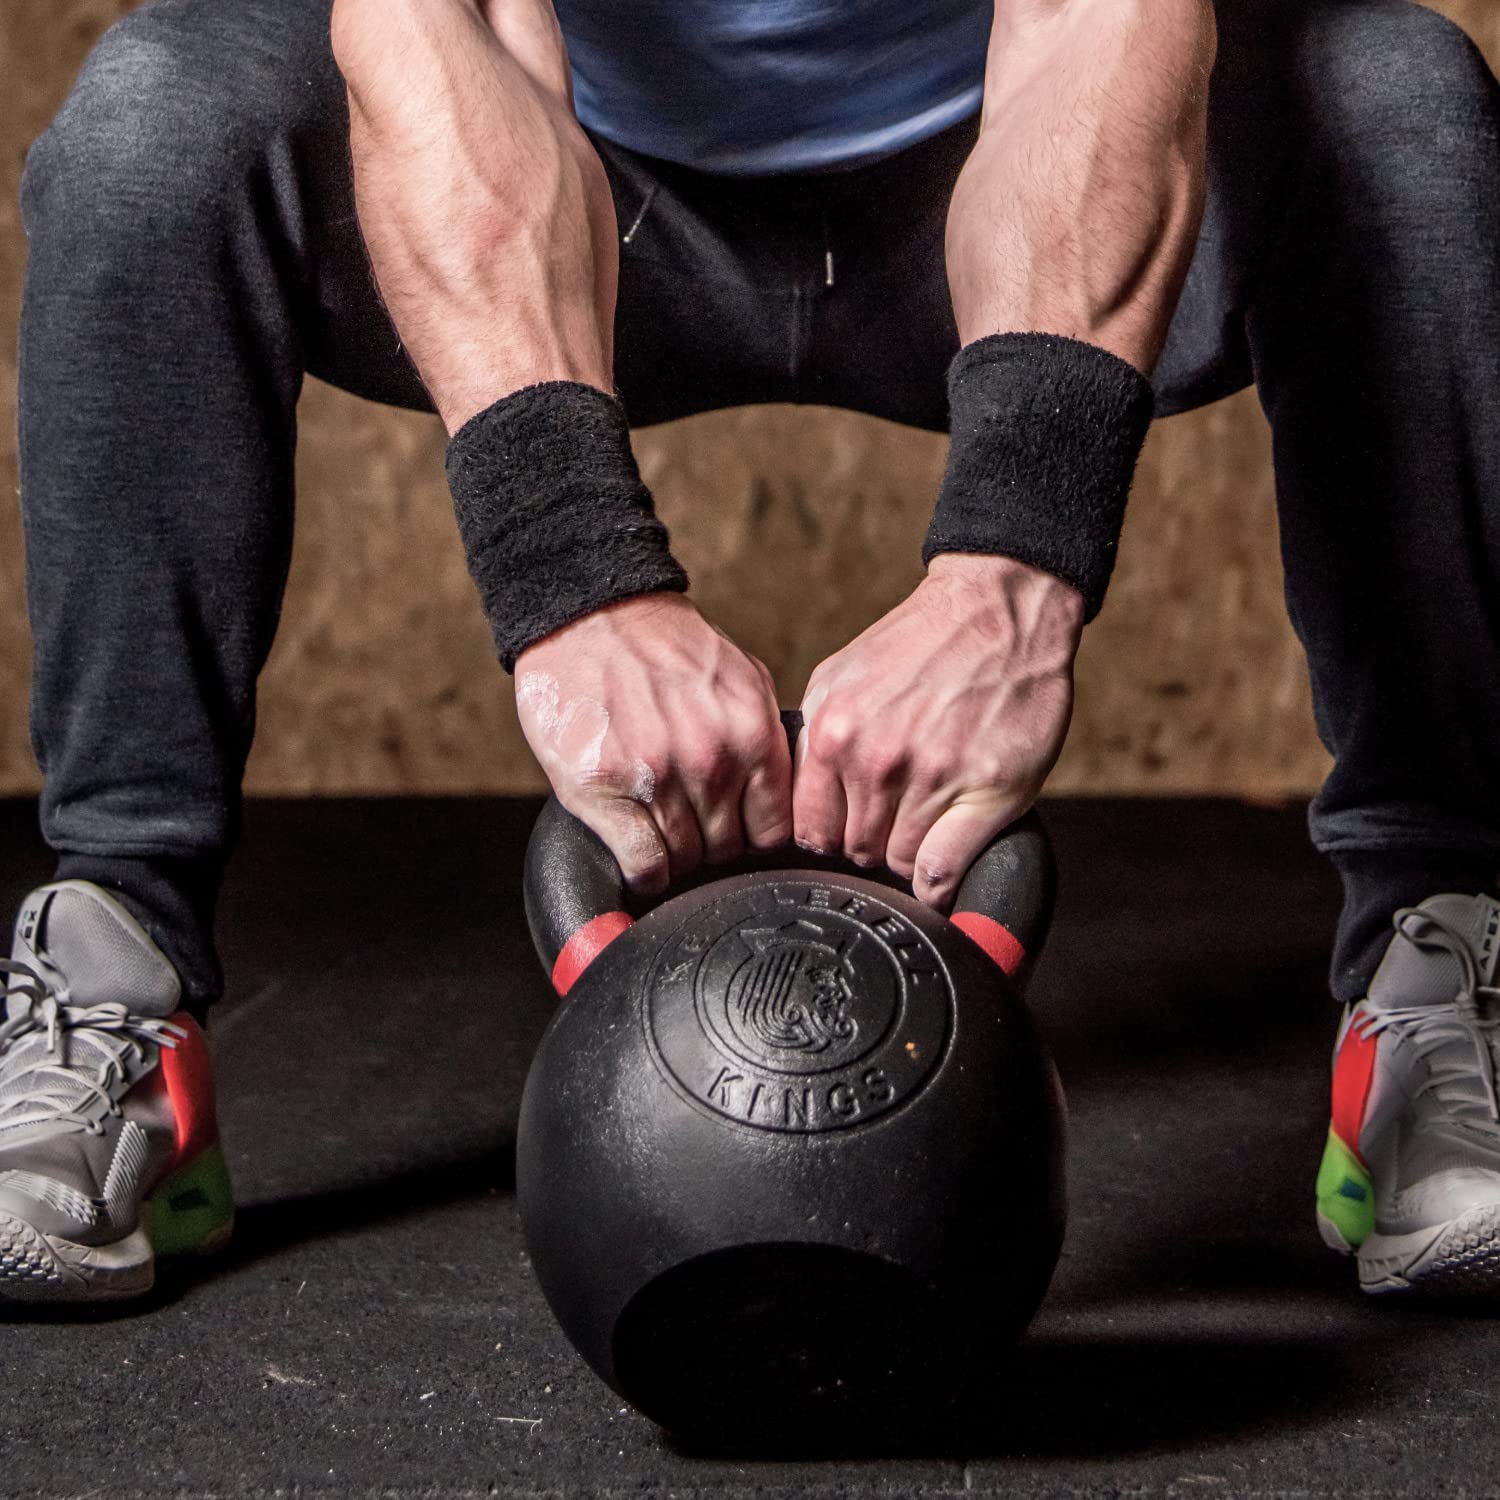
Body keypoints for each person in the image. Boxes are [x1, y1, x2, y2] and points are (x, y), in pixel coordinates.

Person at [2, 0, 1497, 1304]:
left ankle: (1441, 972)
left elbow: (1089, 19)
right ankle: (112, 978)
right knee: (157, 119)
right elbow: (445, 31)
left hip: (1013, 158)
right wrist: (573, 577)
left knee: (1399, 101)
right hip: (570, 177)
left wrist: (1012, 573)